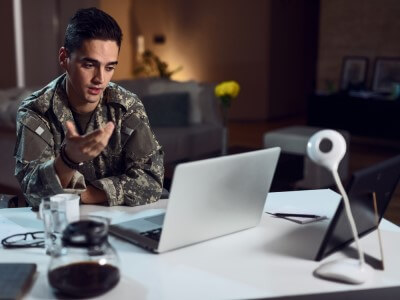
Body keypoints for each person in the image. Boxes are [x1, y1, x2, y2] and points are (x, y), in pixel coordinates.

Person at [14, 7, 164, 208]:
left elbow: (152, 181)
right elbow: (33, 193)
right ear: (64, 58)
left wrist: (88, 195)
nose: (100, 79)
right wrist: (68, 159)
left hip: (118, 223)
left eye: (109, 67)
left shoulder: (126, 107)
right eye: (89, 65)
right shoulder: (36, 112)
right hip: (62, 228)